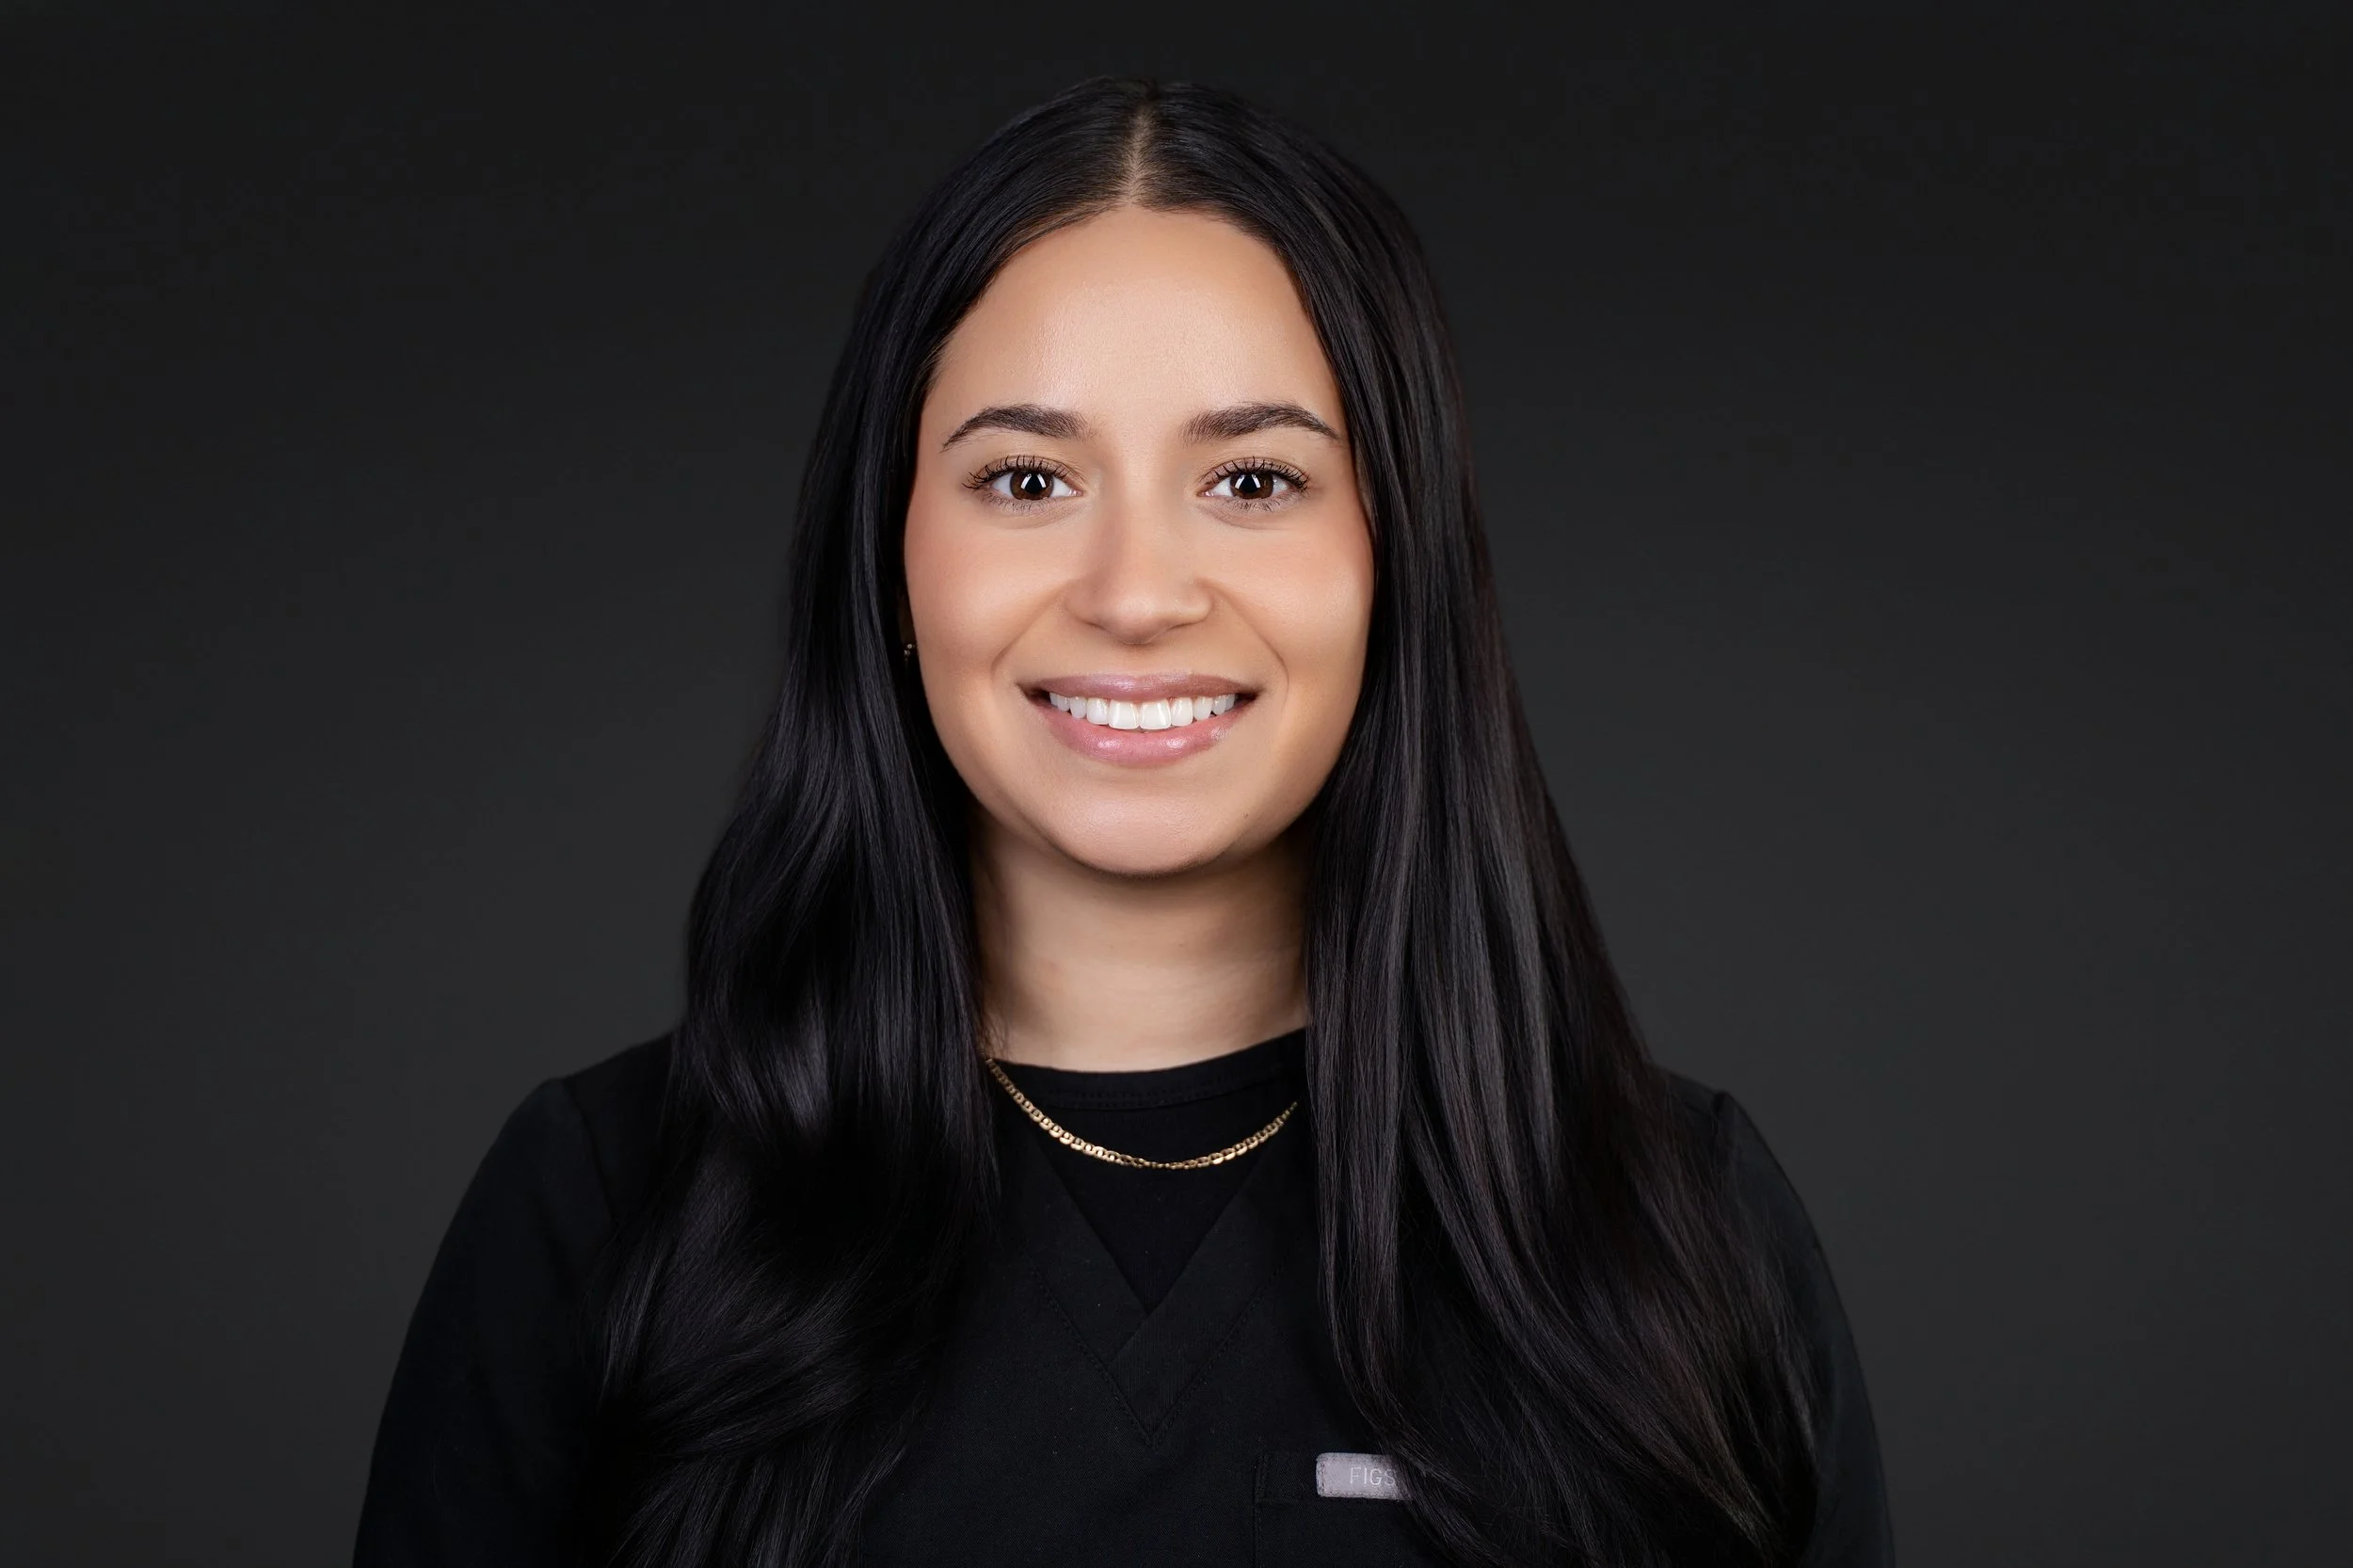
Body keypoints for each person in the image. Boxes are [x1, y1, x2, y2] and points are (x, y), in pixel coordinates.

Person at [355, 76, 1892, 1568]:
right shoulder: (605, 1209)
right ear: (889, 559)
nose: (1137, 592)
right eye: (1026, 478)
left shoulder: (1671, 1224)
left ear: (1393, 558)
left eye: (1252, 477)